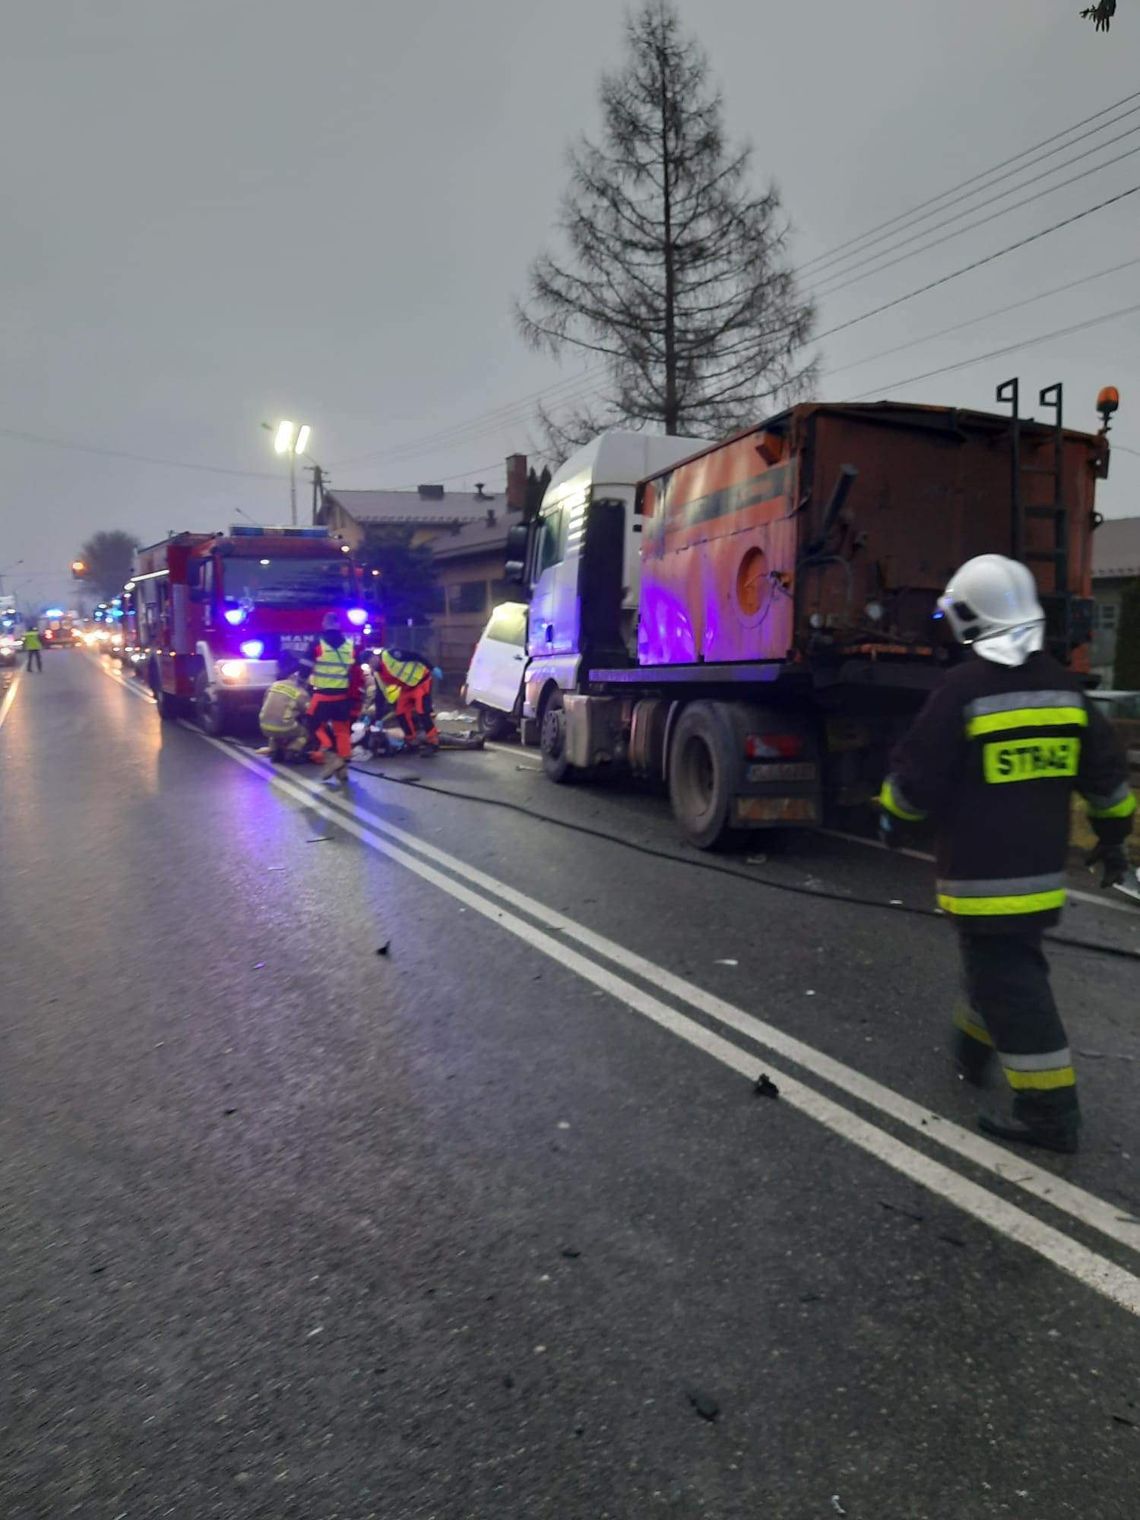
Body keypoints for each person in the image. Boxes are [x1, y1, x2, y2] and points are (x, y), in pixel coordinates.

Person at [879, 555, 1135, 1154]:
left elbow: (917, 780)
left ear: (972, 618)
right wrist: (1114, 840)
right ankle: (972, 1048)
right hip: (1041, 874)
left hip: (982, 873)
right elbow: (1107, 780)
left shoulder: (962, 690)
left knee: (1011, 981)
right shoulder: (1065, 689)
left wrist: (893, 817)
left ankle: (1049, 1112)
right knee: (998, 964)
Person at [301, 612, 360, 785]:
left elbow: (305, 668)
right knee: (342, 729)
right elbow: (355, 672)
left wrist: (300, 682)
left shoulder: (318, 644)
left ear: (324, 624)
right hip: (342, 696)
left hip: (322, 696)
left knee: (312, 724)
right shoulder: (350, 645)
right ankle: (343, 768)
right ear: (339, 625)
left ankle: (331, 755)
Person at [376, 646, 440, 754]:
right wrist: (378, 718)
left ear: (375, 657)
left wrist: (432, 668)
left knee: (422, 712)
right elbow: (380, 696)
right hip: (407, 688)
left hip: (421, 681)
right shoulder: (378, 675)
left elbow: (415, 655)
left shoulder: (390, 655)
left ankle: (433, 742)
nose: (372, 663)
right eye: (369, 663)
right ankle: (412, 742)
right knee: (401, 713)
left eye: (371, 660)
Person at [256, 656, 309, 762]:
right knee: (304, 733)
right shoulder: (301, 691)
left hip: (264, 725)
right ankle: (293, 751)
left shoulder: (274, 685)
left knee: (276, 732)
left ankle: (274, 750)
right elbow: (308, 711)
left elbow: (265, 703)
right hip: (285, 726)